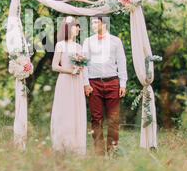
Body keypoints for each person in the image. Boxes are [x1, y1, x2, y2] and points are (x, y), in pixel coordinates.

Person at [82, 14, 128, 156]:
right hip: (94, 83)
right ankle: (98, 151)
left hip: (112, 82)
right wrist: (85, 83)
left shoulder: (116, 41)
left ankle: (112, 149)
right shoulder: (88, 41)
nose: (93, 26)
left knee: (114, 119)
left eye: (96, 23)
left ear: (104, 24)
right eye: (92, 23)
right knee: (96, 118)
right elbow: (84, 64)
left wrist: (123, 83)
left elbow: (121, 62)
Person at [50, 16, 87, 155]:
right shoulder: (60, 45)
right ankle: (62, 143)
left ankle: (76, 144)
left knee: (76, 110)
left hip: (76, 82)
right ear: (68, 28)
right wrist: (70, 70)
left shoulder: (79, 46)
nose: (78, 29)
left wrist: (80, 69)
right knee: (64, 110)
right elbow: (54, 66)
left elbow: (82, 66)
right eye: (75, 26)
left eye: (78, 26)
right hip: (65, 80)